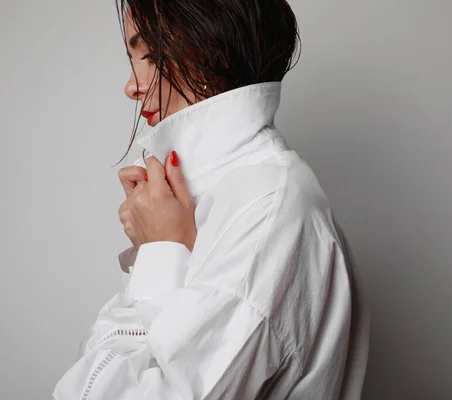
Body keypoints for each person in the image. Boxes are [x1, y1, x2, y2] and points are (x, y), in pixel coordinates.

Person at [53, 0, 369, 398]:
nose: (131, 86)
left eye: (147, 53)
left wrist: (160, 252)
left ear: (210, 53)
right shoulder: (234, 193)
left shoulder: (268, 209)